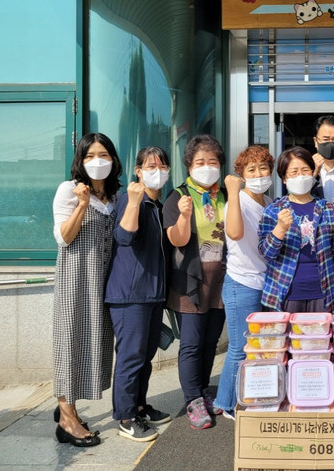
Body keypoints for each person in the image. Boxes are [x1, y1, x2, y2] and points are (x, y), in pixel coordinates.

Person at [52, 132, 123, 447]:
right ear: (80, 161)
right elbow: (64, 237)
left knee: (93, 343)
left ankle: (67, 407)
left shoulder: (115, 196)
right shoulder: (68, 190)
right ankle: (67, 420)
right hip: (76, 279)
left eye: (103, 155)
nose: (97, 161)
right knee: (69, 342)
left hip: (104, 281)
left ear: (113, 159)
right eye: (90, 156)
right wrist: (82, 204)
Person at [105, 146, 173, 442]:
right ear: (138, 171)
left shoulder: (158, 205)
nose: (157, 171)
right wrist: (133, 202)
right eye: (150, 166)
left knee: (145, 356)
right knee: (131, 357)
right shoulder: (131, 199)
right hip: (130, 294)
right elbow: (124, 237)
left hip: (152, 294)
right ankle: (126, 417)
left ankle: (140, 406)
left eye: (162, 166)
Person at [163, 134, 226, 430]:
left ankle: (202, 390)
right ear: (189, 165)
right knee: (191, 344)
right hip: (190, 281)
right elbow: (176, 239)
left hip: (221, 281)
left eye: (212, 161)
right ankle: (192, 400)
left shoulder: (225, 195)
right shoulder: (177, 197)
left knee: (211, 341)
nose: (207, 167)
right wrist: (185, 216)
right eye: (200, 162)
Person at [213, 145, 275, 420]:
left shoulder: (269, 202)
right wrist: (232, 191)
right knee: (240, 348)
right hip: (242, 283)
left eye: (263, 168)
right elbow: (235, 233)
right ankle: (227, 403)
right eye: (252, 169)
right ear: (242, 175)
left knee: (260, 347)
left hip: (266, 283)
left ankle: (252, 395)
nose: (259, 174)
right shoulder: (237, 201)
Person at [258, 146, 334, 313]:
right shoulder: (273, 210)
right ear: (284, 178)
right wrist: (280, 228)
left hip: (324, 293)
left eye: (305, 170)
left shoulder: (328, 209)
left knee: (321, 331)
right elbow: (267, 253)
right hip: (284, 293)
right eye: (294, 172)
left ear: (313, 173)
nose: (300, 176)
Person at [312, 115, 334, 201]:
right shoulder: (306, 169)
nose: (331, 143)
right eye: (326, 139)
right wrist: (314, 173)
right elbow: (297, 196)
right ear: (316, 141)